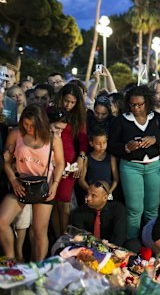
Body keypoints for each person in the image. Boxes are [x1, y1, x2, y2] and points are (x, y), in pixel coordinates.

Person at [108, 85, 160, 239]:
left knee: (152, 208)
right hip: (131, 167)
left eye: (140, 104)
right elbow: (111, 146)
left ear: (147, 102)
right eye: (133, 105)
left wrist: (155, 139)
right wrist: (126, 147)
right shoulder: (121, 121)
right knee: (134, 209)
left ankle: (151, 242)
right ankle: (133, 244)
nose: (136, 108)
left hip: (155, 166)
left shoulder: (156, 118)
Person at [0, 105, 65, 261]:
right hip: (21, 184)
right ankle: (11, 258)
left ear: (41, 123)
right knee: (1, 222)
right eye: (25, 124)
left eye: (31, 125)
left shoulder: (53, 138)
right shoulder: (16, 134)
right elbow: (6, 162)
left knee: (39, 232)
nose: (28, 128)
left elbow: (61, 163)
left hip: (44, 186)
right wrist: (14, 181)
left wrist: (55, 184)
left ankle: (38, 267)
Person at [52, 83, 88, 236]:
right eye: (66, 101)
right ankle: (57, 239)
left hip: (69, 163)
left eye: (73, 102)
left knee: (64, 203)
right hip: (51, 160)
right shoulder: (50, 112)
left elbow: (83, 141)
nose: (69, 105)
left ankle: (66, 238)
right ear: (61, 98)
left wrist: (80, 159)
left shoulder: (78, 116)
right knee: (52, 203)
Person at [70, 181, 127, 246]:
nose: (88, 198)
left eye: (93, 196)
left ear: (105, 198)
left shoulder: (117, 209)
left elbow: (119, 236)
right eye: (88, 194)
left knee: (134, 244)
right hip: (87, 248)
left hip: (112, 248)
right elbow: (79, 237)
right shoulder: (79, 212)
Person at [79, 128, 119, 200]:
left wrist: (109, 192)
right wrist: (92, 191)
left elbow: (116, 179)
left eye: (104, 143)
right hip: (91, 195)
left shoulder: (111, 158)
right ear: (91, 143)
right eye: (98, 143)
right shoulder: (87, 159)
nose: (102, 146)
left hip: (107, 195)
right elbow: (81, 180)